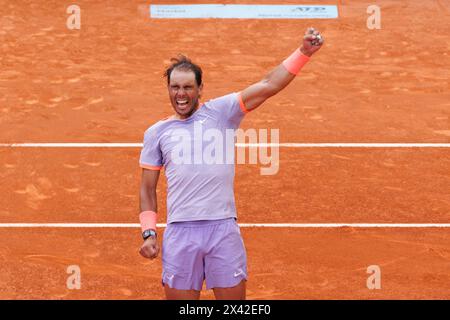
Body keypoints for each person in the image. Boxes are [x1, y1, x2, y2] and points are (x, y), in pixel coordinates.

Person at [138, 27, 324, 300]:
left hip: (222, 231)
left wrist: (304, 53)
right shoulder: (157, 132)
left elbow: (268, 84)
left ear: (200, 89)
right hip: (180, 234)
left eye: (188, 87)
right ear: (168, 89)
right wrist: (148, 233)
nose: (181, 94)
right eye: (175, 87)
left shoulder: (222, 112)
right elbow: (147, 189)